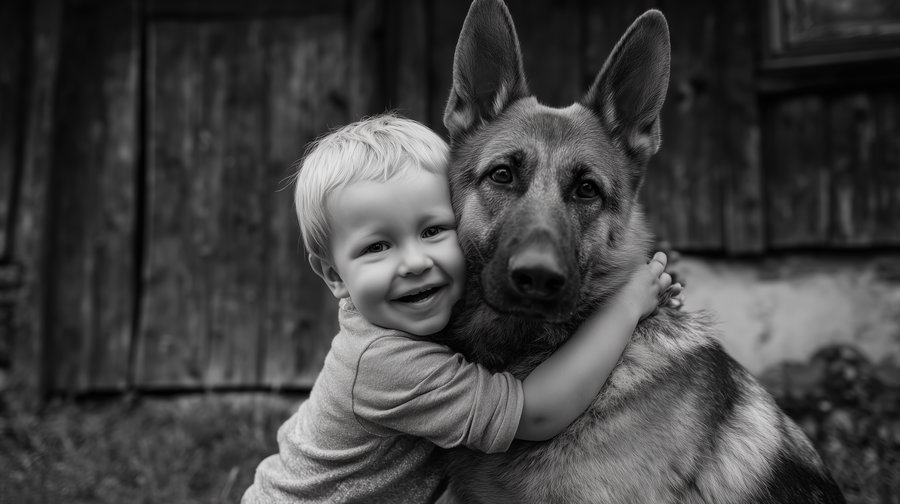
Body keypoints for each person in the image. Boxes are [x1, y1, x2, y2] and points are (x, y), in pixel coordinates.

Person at [242, 113, 677, 503]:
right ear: (334, 276)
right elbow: (536, 412)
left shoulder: (422, 317)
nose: (415, 263)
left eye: (433, 231)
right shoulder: (382, 364)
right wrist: (626, 305)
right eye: (377, 246)